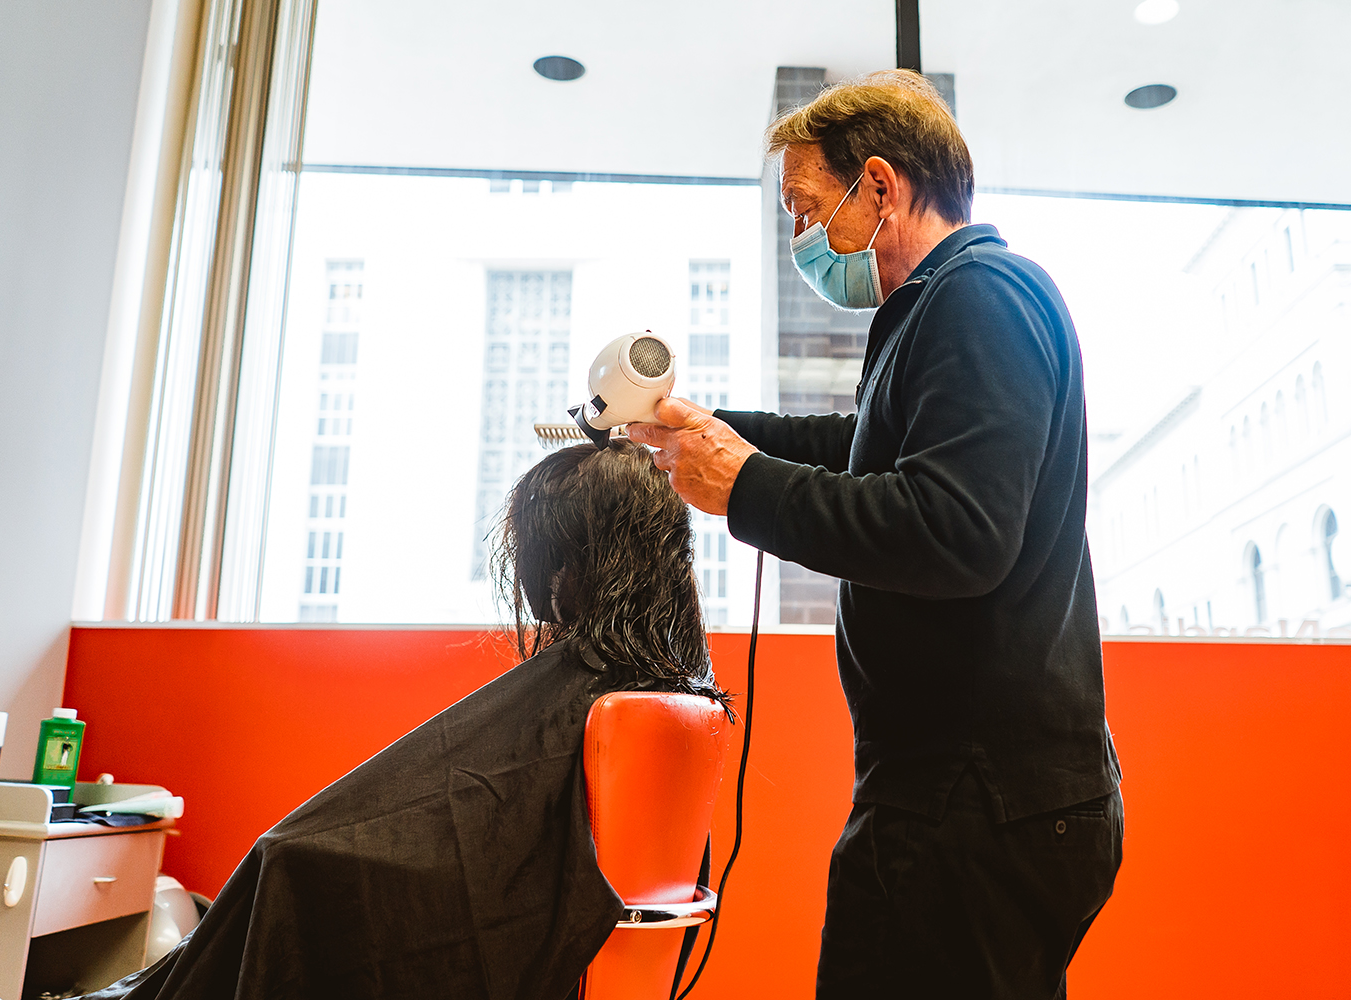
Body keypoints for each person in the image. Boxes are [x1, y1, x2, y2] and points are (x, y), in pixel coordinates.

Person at [628, 69, 1123, 999]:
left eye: (809, 210)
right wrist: (706, 429)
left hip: (974, 805)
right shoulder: (943, 309)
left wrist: (745, 488)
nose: (804, 241)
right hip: (962, 797)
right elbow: (863, 451)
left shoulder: (981, 297)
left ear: (883, 187)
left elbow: (956, 531)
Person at [89, 441, 726, 1000]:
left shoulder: (599, 690)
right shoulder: (679, 695)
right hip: (609, 951)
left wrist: (296, 858)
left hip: (478, 922)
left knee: (283, 864)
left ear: (560, 565)